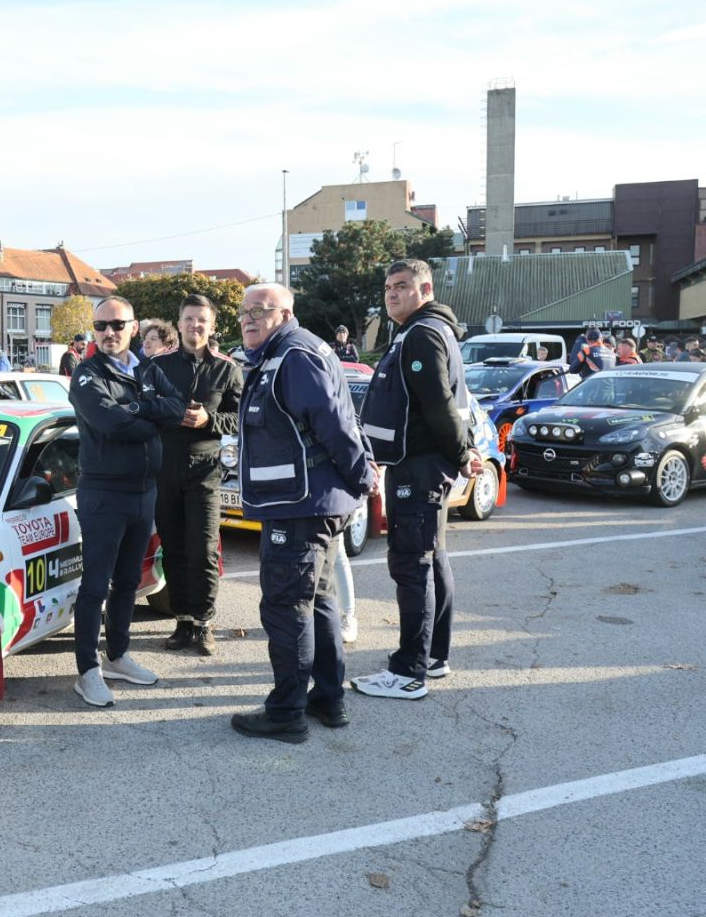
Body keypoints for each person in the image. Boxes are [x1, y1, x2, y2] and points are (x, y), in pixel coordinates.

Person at [230, 283, 374, 743]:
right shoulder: (285, 352)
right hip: (307, 504)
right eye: (244, 311)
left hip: (300, 508)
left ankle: (286, 713)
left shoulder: (294, 356)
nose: (249, 318)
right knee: (319, 600)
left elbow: (336, 423)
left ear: (286, 313)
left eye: (260, 310)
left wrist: (362, 477)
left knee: (287, 607)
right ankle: (327, 699)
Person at [352, 258, 481, 701]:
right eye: (389, 286)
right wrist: (464, 451)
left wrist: (462, 454)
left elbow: (440, 403)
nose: (392, 293)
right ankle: (432, 656)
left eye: (403, 286)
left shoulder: (422, 334)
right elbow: (457, 401)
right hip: (422, 464)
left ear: (425, 290)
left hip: (420, 468)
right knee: (433, 559)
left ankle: (409, 672)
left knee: (413, 566)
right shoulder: (428, 330)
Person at [67, 296, 185, 708]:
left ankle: (117, 656)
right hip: (104, 493)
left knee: (128, 582)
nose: (109, 333)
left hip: (144, 490)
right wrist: (153, 417)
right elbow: (111, 424)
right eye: (101, 326)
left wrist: (137, 408)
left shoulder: (148, 368)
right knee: (95, 585)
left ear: (134, 327)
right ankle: (87, 671)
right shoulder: (86, 374)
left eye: (117, 324)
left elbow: (177, 407)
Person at [152, 294, 243, 656]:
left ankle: (204, 622)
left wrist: (209, 420)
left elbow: (240, 419)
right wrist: (167, 413)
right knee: (173, 549)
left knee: (203, 549)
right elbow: (142, 410)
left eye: (202, 320)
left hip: (205, 472)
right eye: (189, 319)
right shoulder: (157, 366)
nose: (195, 326)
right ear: (179, 324)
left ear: (212, 325)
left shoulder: (227, 369)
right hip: (166, 470)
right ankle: (183, 620)